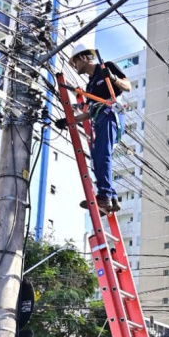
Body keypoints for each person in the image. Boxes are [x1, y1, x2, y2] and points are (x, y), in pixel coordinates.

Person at [69, 43, 131, 214]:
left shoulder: (107, 67)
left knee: (103, 153)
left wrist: (112, 77)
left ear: (83, 57)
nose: (74, 66)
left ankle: (104, 195)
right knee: (97, 158)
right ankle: (112, 197)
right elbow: (89, 113)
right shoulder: (90, 86)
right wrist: (69, 121)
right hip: (100, 118)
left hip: (111, 114)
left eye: (75, 62)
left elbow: (127, 86)